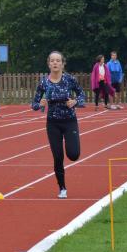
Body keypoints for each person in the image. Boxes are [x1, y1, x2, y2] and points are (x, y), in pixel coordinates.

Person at [31, 51, 85, 199]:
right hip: (53, 124)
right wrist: (39, 104)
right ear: (49, 64)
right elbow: (34, 104)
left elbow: (82, 95)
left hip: (69, 121)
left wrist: (75, 102)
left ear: (62, 63)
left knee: (73, 155)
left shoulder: (69, 80)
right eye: (52, 61)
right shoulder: (44, 82)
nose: (55, 63)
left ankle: (72, 152)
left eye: (58, 61)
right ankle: (62, 188)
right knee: (58, 157)